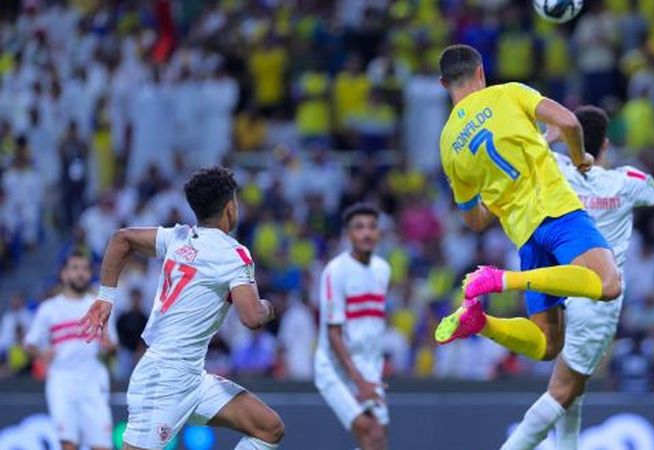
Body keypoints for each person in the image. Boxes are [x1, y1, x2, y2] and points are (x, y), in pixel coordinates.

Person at [501, 106, 654, 450]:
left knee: (575, 388)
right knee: (563, 390)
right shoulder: (626, 182)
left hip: (557, 287)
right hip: (598, 296)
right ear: (606, 145)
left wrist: (549, 136)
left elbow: (523, 157)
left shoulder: (554, 169)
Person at [433, 45, 622, 372]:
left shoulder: (448, 144)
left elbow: (475, 220)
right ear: (481, 72)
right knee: (608, 284)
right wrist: (580, 160)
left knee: (547, 344)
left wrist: (535, 151)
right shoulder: (509, 93)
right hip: (557, 212)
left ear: (443, 83)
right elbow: (570, 122)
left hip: (525, 236)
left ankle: (481, 322)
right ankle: (504, 280)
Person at [79, 167, 284, 450]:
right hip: (164, 377)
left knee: (268, 428)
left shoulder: (178, 238)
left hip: (193, 377)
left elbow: (121, 239)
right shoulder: (233, 254)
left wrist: (105, 297)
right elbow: (252, 317)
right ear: (230, 208)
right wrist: (269, 307)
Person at [314, 204, 391, 450]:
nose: (366, 233)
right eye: (359, 227)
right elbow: (333, 333)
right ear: (348, 235)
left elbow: (373, 324)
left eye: (371, 227)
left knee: (378, 438)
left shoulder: (383, 270)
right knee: (369, 431)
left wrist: (373, 372)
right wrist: (360, 382)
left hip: (368, 368)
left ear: (379, 233)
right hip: (335, 369)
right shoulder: (335, 272)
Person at [24, 251, 116, 450]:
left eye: (85, 269)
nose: (81, 274)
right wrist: (41, 354)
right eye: (75, 268)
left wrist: (108, 348)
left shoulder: (100, 307)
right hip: (62, 381)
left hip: (93, 381)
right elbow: (29, 344)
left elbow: (113, 344)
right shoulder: (49, 308)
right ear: (64, 273)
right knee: (68, 444)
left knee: (102, 445)